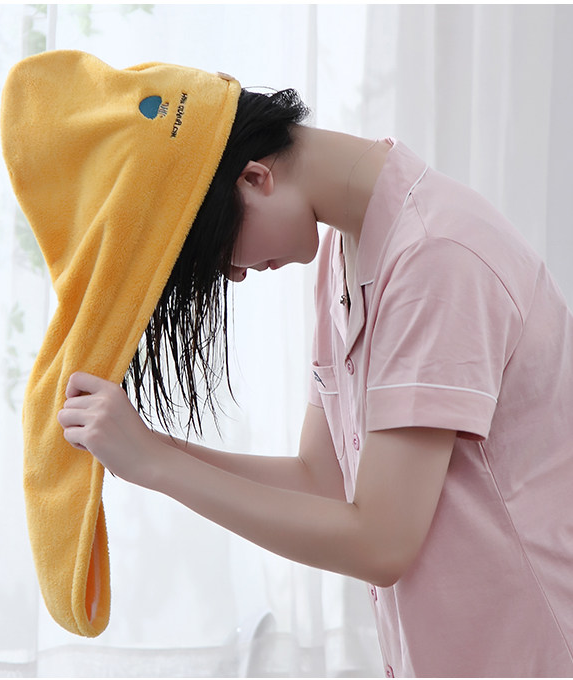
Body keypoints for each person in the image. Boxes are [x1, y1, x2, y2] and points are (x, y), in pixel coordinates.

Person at [55, 85, 573, 676]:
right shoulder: (345, 254)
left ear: (254, 178)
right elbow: (322, 481)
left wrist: (156, 465)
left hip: (533, 650)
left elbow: (381, 542)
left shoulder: (436, 256)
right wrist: (147, 449)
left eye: (220, 249)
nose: (234, 274)